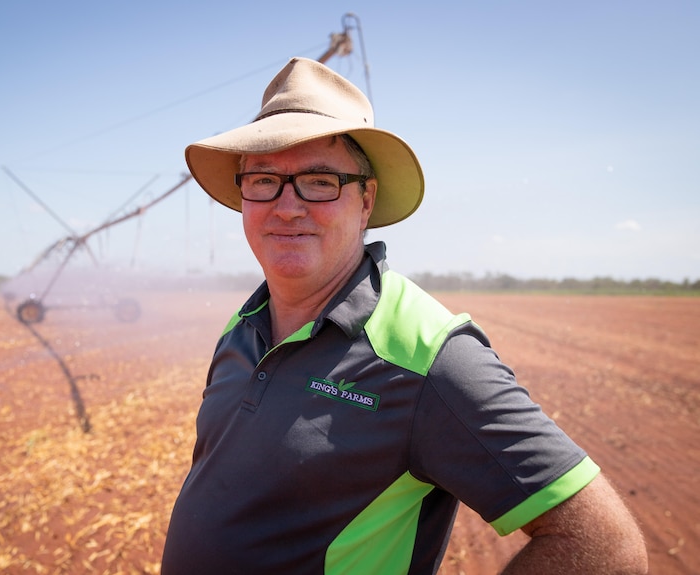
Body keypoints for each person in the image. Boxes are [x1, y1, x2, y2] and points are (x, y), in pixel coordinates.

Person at [160, 57, 647, 574]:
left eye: (320, 181)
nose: (286, 206)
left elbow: (605, 546)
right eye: (263, 180)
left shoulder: (428, 358)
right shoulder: (245, 324)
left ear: (365, 200)